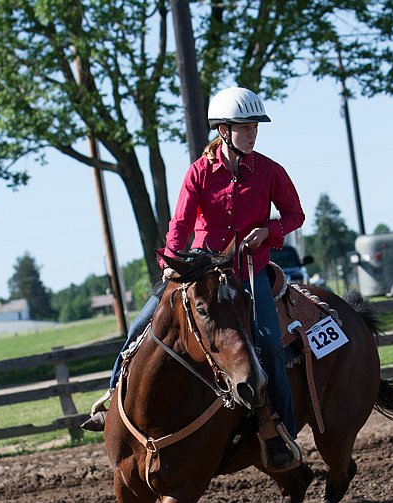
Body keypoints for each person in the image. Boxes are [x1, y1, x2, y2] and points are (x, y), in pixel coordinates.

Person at [83, 86, 305, 471]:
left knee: (268, 343)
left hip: (248, 273)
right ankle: (109, 406)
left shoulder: (271, 171)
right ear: (223, 131)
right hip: (202, 272)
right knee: (139, 329)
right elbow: (180, 223)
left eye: (255, 126)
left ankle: (280, 430)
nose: (252, 133)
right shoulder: (199, 172)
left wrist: (270, 231)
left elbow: (294, 215)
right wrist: (171, 261)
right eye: (244, 126)